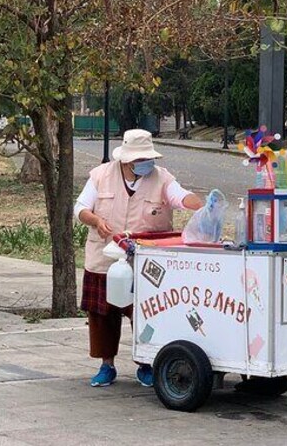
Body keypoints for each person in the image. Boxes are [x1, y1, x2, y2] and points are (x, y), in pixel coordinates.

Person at [75, 129, 203, 387]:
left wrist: (202, 205)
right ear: (125, 159)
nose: (145, 164)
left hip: (146, 263)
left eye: (147, 158)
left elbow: (180, 197)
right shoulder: (101, 176)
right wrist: (96, 220)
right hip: (104, 258)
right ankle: (106, 365)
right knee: (103, 314)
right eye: (139, 159)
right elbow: (80, 208)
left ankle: (146, 364)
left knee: (147, 314)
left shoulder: (162, 178)